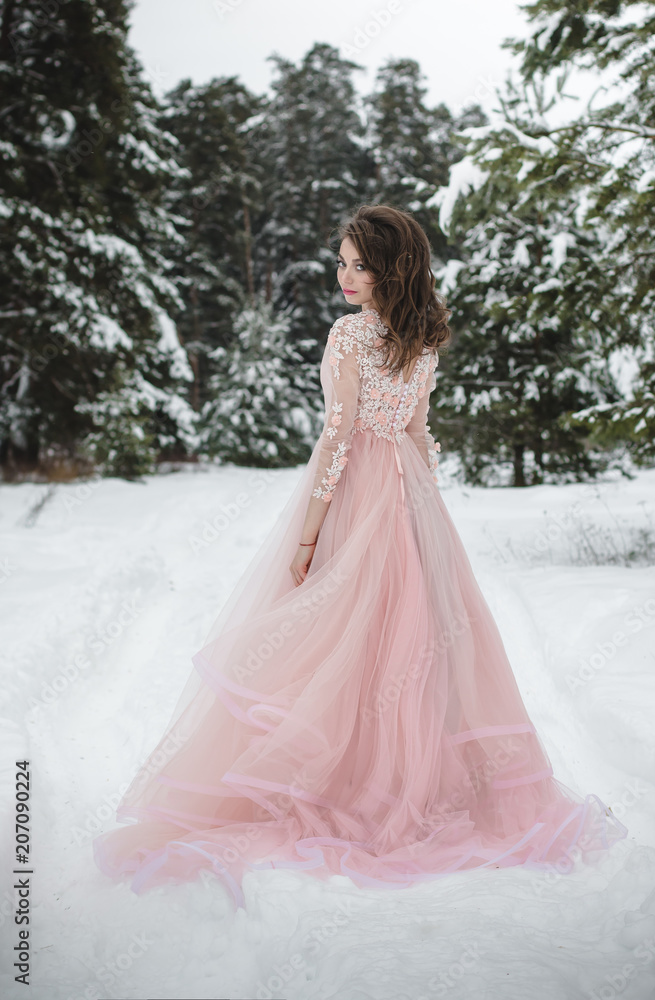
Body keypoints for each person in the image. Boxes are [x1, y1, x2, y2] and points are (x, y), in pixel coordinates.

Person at [92, 204, 628, 910]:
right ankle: (402, 788)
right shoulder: (424, 337)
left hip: (360, 501)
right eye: (341, 262)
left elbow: (336, 441)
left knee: (337, 642)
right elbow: (417, 432)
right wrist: (427, 526)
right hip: (410, 501)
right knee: (405, 648)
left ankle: (349, 789)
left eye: (358, 264)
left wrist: (308, 538)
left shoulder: (349, 336)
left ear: (389, 268)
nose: (344, 276)